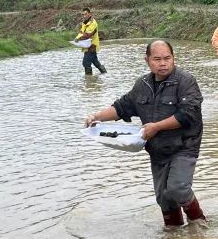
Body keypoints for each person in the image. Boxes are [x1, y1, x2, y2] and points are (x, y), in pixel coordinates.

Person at [83, 40, 207, 227]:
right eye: (157, 59)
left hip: (184, 145)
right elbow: (122, 106)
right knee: (164, 198)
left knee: (177, 187)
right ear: (147, 60)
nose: (163, 63)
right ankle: (173, 236)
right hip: (157, 147)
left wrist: (156, 127)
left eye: (167, 58)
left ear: (174, 59)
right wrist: (96, 116)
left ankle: (199, 224)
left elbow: (187, 115)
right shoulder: (142, 84)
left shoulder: (185, 81)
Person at [75, 7, 107, 75]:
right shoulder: (84, 23)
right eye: (83, 14)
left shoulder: (93, 23)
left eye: (85, 14)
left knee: (86, 63)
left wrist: (79, 38)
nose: (84, 16)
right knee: (95, 61)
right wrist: (77, 38)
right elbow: (81, 32)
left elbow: (88, 35)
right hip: (87, 46)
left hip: (92, 46)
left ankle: (89, 81)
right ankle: (104, 73)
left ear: (89, 14)